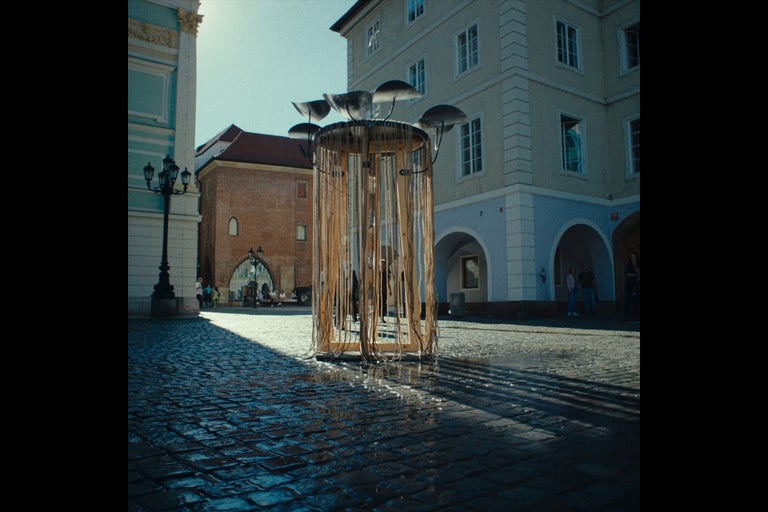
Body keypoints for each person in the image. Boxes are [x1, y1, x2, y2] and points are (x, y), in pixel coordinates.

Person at [624, 251, 640, 320]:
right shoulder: (628, 265)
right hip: (629, 283)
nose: (633, 258)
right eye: (631, 256)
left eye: (634, 256)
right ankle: (627, 313)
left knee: (636, 299)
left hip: (637, 283)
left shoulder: (638, 264)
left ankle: (635, 312)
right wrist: (635, 275)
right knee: (628, 298)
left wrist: (635, 266)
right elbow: (626, 274)